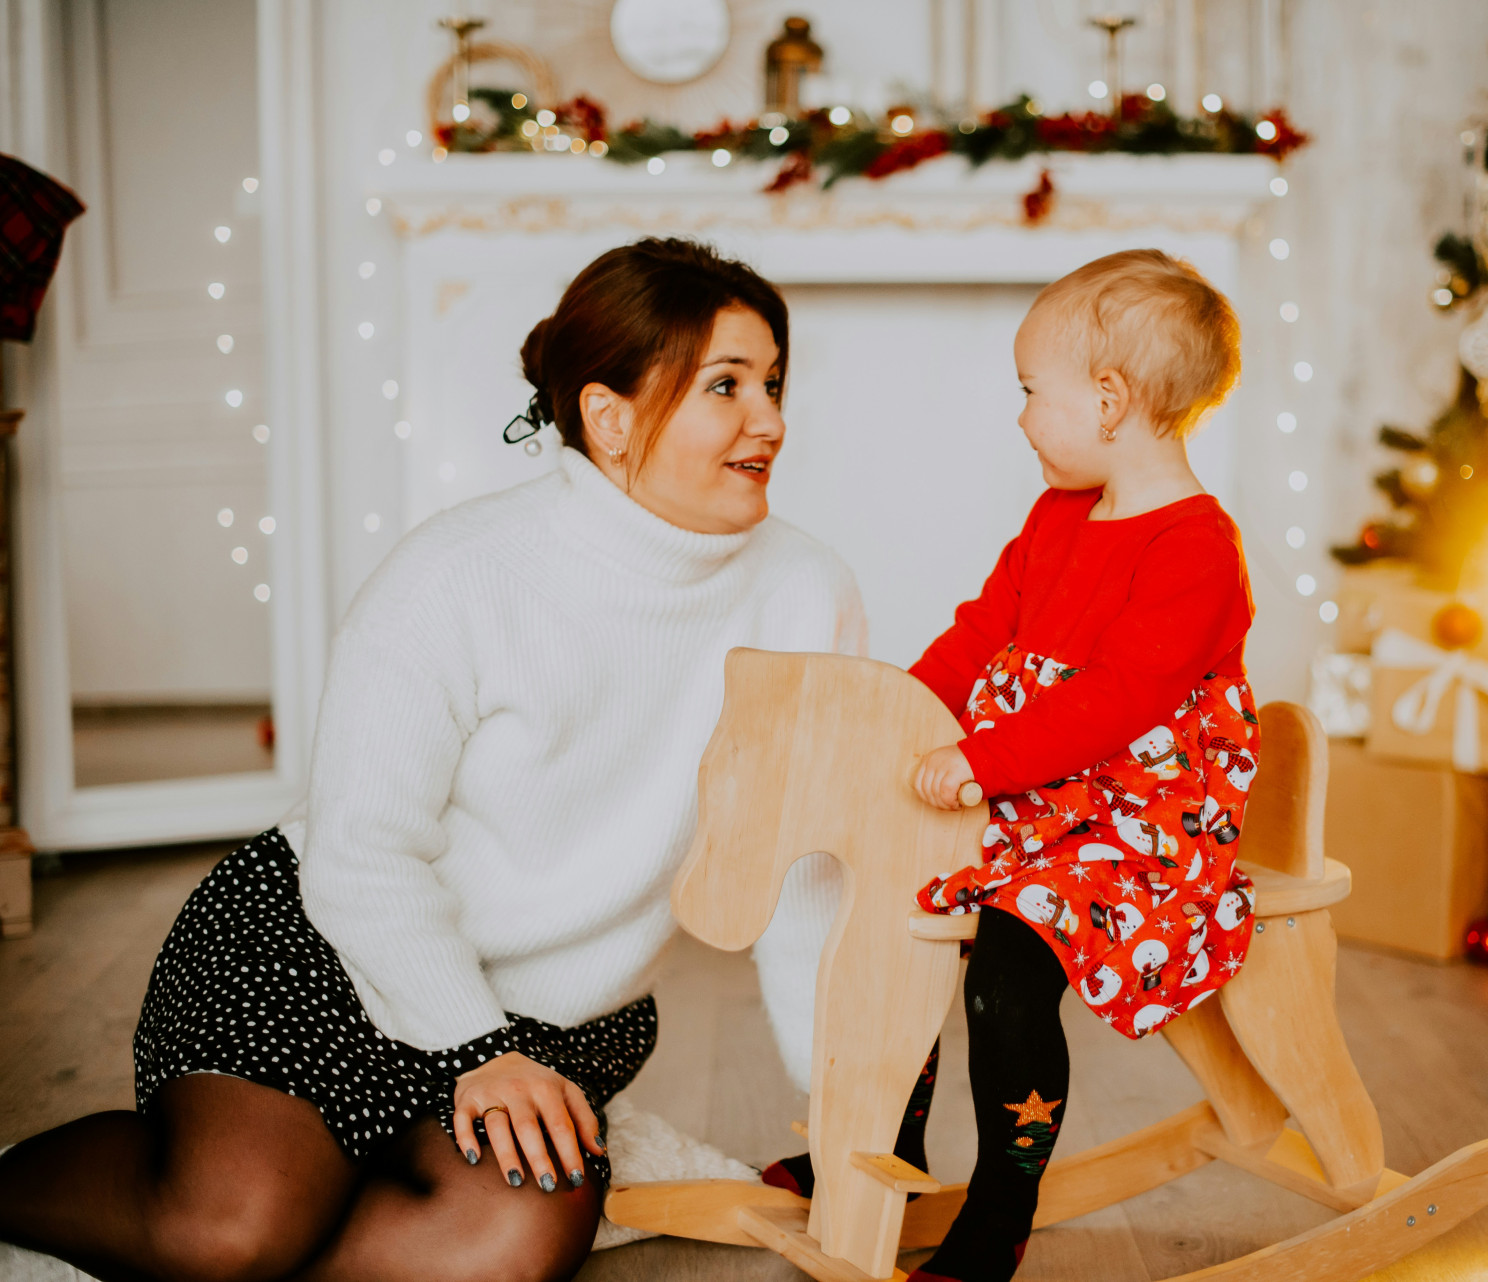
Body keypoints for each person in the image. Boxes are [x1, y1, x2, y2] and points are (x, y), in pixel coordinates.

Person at [0, 238, 861, 1282]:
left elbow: (806, 875)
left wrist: (849, 1115)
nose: (770, 420)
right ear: (609, 415)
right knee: (229, 1233)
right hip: (326, 956)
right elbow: (361, 854)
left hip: (553, 1022)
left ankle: (325, 1188)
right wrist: (471, 1050)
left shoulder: (807, 593)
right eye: (727, 385)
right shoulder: (457, 574)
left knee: (503, 1249)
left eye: (773, 382)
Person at [909, 248, 1262, 1282]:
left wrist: (979, 760)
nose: (1021, 418)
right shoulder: (1058, 515)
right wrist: (899, 717)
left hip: (1138, 826)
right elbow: (981, 633)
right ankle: (884, 1144)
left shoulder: (1196, 549)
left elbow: (1112, 707)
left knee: (1011, 965)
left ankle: (999, 1211)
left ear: (1109, 401)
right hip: (1036, 797)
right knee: (893, 906)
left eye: (1031, 391)